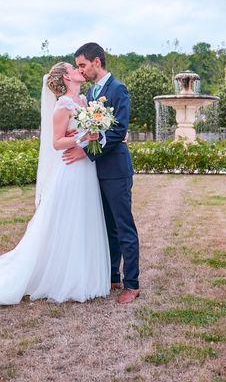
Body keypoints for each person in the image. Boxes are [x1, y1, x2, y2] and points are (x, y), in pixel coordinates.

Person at [0, 62, 110, 304]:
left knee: (84, 217)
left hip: (86, 167)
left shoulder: (84, 102)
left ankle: (86, 275)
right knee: (68, 219)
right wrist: (83, 136)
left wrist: (92, 135)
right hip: (70, 169)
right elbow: (57, 142)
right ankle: (64, 278)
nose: (78, 69)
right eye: (72, 67)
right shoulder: (62, 106)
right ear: (65, 77)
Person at [63, 42, 140, 304]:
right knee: (107, 227)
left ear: (97, 62)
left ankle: (132, 284)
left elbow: (118, 131)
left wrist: (85, 152)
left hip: (116, 169)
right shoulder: (93, 93)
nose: (81, 70)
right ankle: (112, 277)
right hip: (96, 172)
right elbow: (92, 130)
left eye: (83, 65)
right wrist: (79, 137)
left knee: (123, 226)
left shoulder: (118, 89)